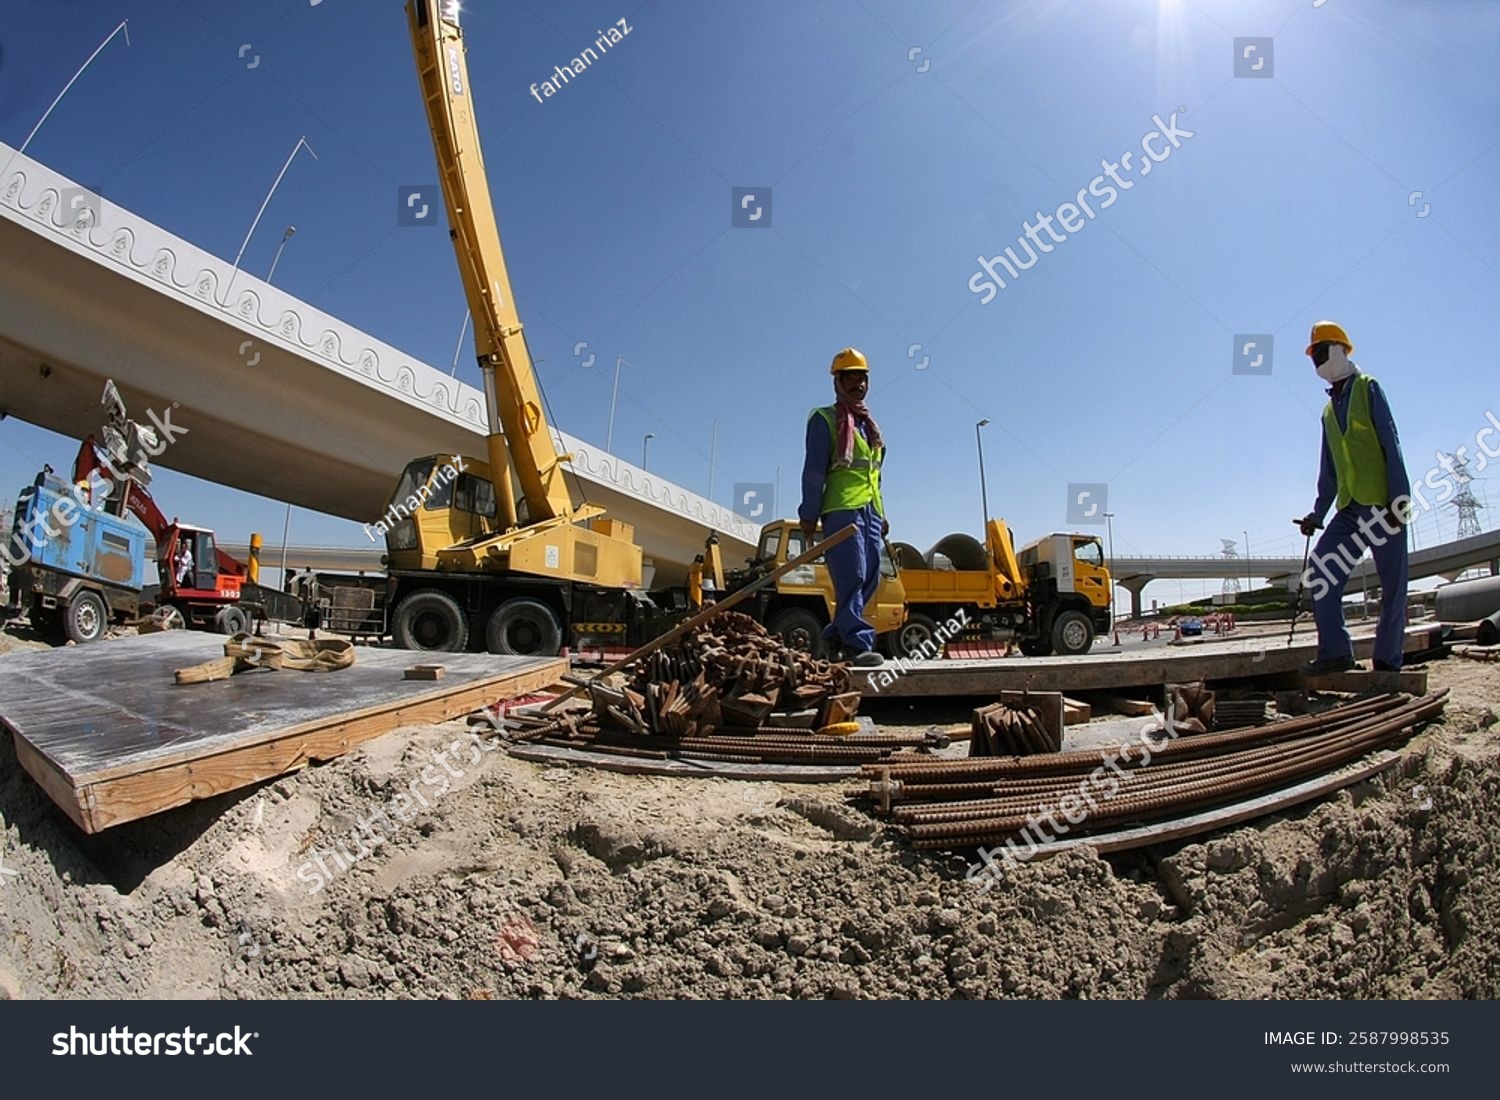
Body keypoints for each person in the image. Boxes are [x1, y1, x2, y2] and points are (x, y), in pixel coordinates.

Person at [1294, 321, 1410, 675]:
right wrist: (1317, 513)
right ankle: (1336, 653)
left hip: (1382, 507)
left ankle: (1387, 662)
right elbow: (1328, 470)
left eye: (1320, 352)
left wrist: (1399, 501)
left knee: (1393, 586)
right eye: (1313, 355)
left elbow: (1391, 441)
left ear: (1341, 350)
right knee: (1320, 572)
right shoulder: (1328, 412)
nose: (1317, 361)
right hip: (1348, 510)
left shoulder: (1368, 388)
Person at [799, 347, 888, 667]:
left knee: (871, 577)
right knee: (853, 573)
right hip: (841, 509)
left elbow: (874, 477)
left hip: (870, 510)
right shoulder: (823, 418)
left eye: (862, 377)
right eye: (849, 377)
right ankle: (856, 643)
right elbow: (813, 469)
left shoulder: (869, 427)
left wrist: (882, 514)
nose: (857, 384)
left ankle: (835, 634)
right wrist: (809, 514)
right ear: (837, 382)